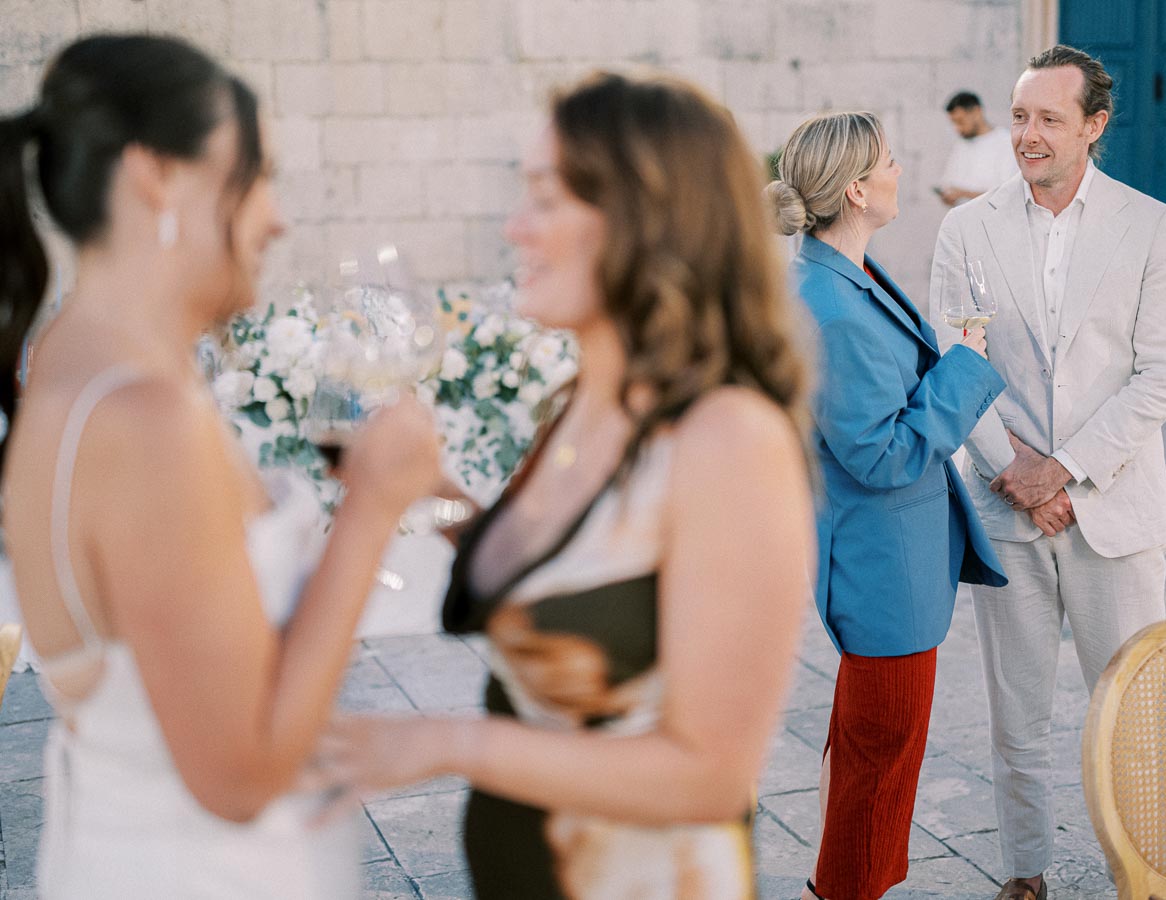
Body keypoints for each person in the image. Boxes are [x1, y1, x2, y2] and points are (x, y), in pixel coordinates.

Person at [310, 71, 816, 900]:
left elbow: (711, 777)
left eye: (545, 200)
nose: (514, 228)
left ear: (646, 218)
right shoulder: (577, 403)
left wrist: (441, 745)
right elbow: (573, 582)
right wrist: (431, 493)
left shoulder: (730, 438)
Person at [0, 34, 442, 898]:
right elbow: (237, 777)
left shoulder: (68, 362)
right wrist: (372, 509)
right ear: (156, 176)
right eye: (258, 174)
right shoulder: (144, 419)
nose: (275, 217)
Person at [929, 45, 1166, 900]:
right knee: (1019, 715)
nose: (1028, 135)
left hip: (1112, 512)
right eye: (1019, 117)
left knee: (1132, 718)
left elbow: (1163, 374)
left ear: (1094, 125)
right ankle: (1023, 873)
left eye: (1048, 118)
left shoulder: (1154, 225)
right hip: (1008, 510)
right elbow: (955, 360)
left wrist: (1067, 474)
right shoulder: (965, 229)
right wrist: (1018, 473)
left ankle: (1141, 871)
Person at [766, 111, 1008, 900]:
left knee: (873, 761)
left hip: (886, 564)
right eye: (892, 160)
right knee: (878, 772)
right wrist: (966, 366)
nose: (905, 170)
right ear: (857, 189)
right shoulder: (829, 306)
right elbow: (883, 453)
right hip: (883, 577)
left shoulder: (839, 274)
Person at [937, 91, 1019, 207]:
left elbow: (1007, 194)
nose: (957, 128)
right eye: (954, 123)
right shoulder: (961, 145)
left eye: (960, 121)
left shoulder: (1006, 143)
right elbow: (948, 182)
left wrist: (962, 193)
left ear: (976, 112)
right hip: (961, 221)